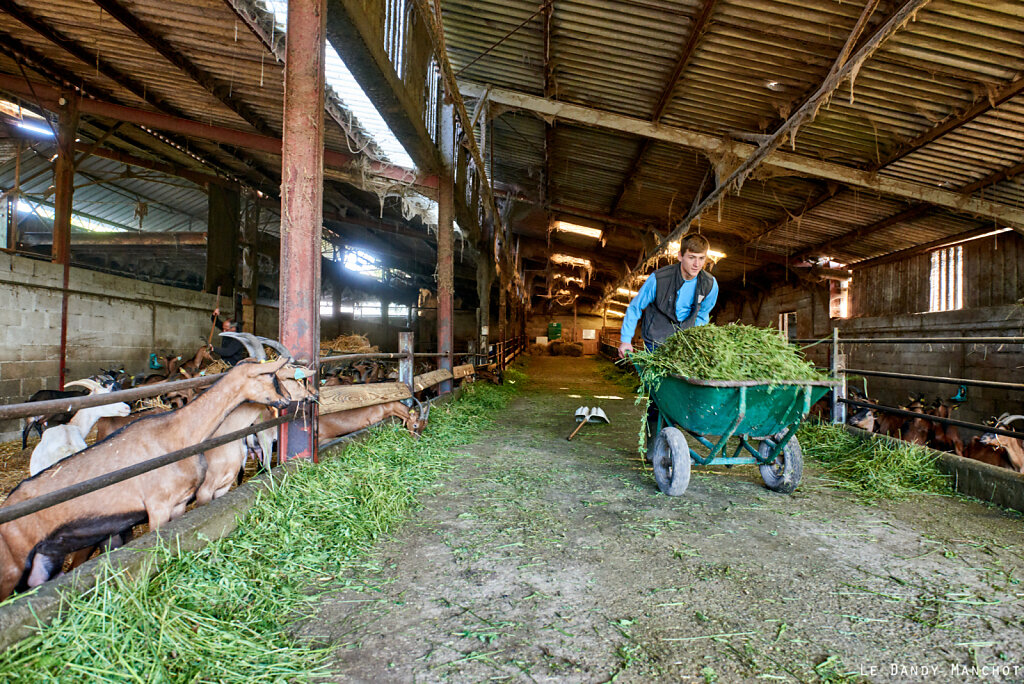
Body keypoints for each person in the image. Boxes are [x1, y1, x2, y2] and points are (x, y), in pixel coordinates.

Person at [618, 232, 719, 357]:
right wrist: (626, 340)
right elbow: (635, 307)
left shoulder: (709, 284)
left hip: (684, 343)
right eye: (692, 257)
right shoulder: (659, 279)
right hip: (656, 340)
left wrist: (696, 340)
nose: (697, 264)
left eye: (701, 258)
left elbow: (702, 314)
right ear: (680, 256)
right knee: (657, 375)